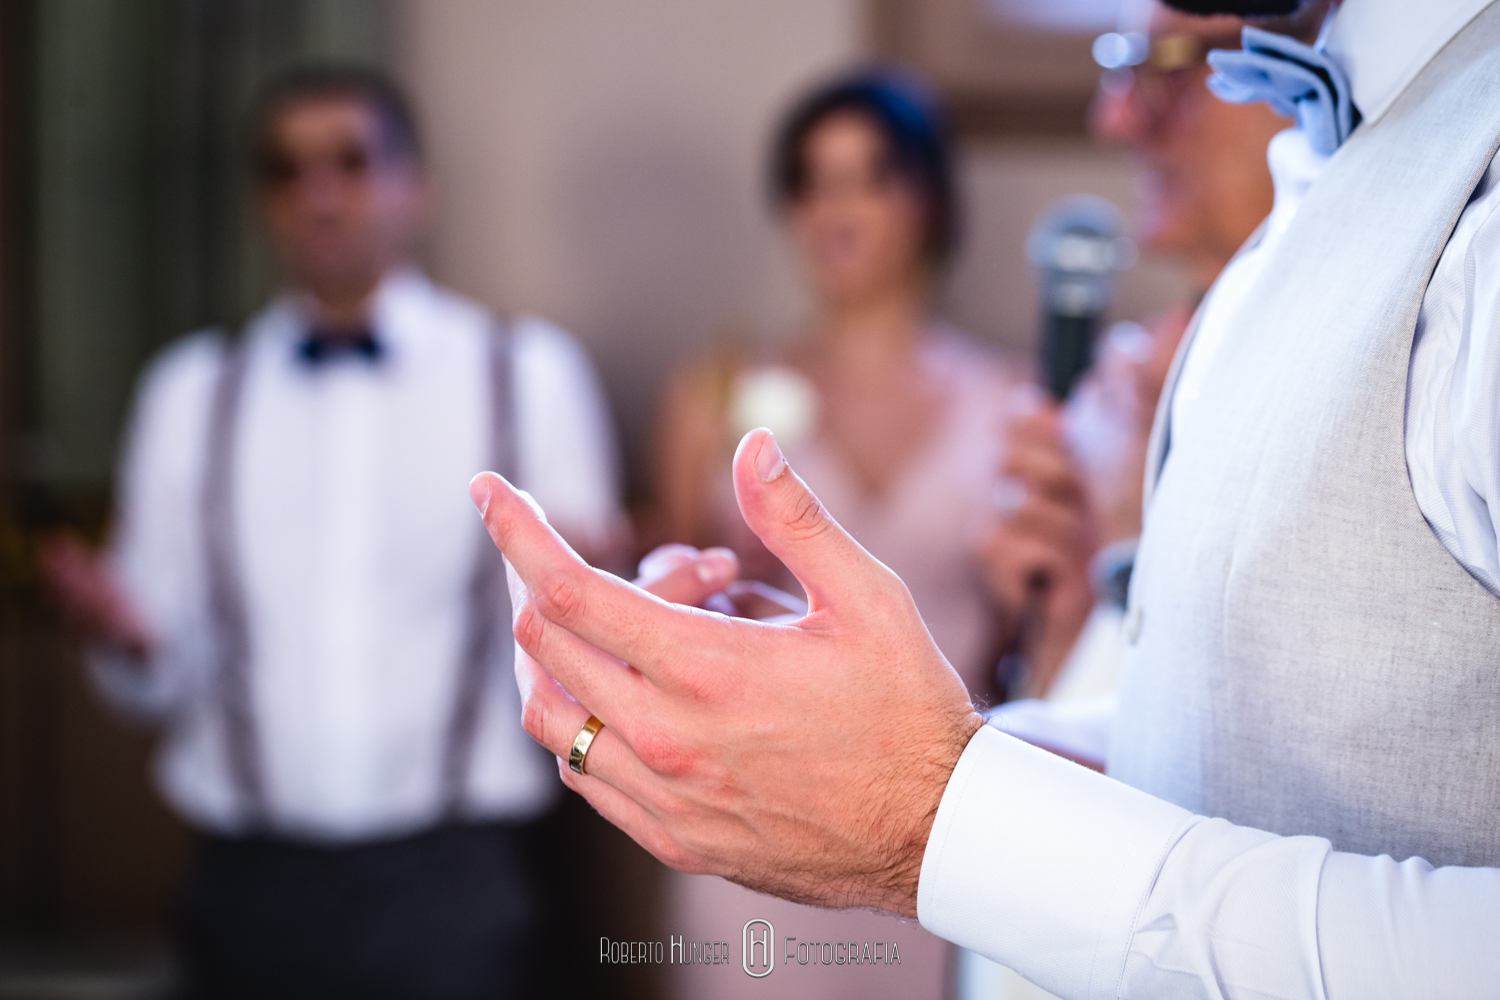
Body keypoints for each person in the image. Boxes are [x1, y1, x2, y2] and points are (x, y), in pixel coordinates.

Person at [474, 0, 1500, 995]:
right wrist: (837, 728)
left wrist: (929, 816)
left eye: (1172, 66)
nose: (1112, 119)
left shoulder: (1474, 237)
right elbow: (1225, 739)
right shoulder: (1316, 186)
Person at [43, 66, 625, 998]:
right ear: (261, 202)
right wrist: (127, 633)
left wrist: (602, 598)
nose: (318, 195)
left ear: (416, 187)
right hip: (245, 879)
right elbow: (161, 673)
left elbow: (575, 656)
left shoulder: (527, 376)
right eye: (286, 170)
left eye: (351, 162)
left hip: (458, 877)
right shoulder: (190, 394)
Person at [651, 69, 1017, 999]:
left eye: (870, 178)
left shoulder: (1014, 405)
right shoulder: (712, 394)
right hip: (757, 818)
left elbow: (1049, 641)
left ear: (929, 197)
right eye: (813, 183)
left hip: (947, 829)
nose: (838, 210)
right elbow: (672, 611)